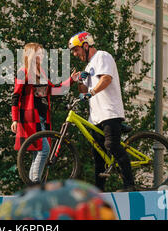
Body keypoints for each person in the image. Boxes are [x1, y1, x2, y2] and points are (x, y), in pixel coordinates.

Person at [68, 31, 135, 192]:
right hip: (96, 116)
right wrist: (79, 82)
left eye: (76, 50)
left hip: (110, 111)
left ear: (85, 45)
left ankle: (130, 184)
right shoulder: (89, 66)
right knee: (98, 154)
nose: (75, 54)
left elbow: (106, 79)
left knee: (111, 145)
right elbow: (83, 90)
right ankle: (99, 190)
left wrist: (91, 92)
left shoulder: (102, 57)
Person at [11, 43, 80, 184]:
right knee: (44, 150)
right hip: (30, 118)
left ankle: (33, 184)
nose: (42, 56)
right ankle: (36, 182)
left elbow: (55, 90)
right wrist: (14, 119)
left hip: (42, 119)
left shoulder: (41, 72)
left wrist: (71, 80)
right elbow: (15, 96)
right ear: (31, 55)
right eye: (39, 53)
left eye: (42, 53)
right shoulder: (23, 72)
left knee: (39, 152)